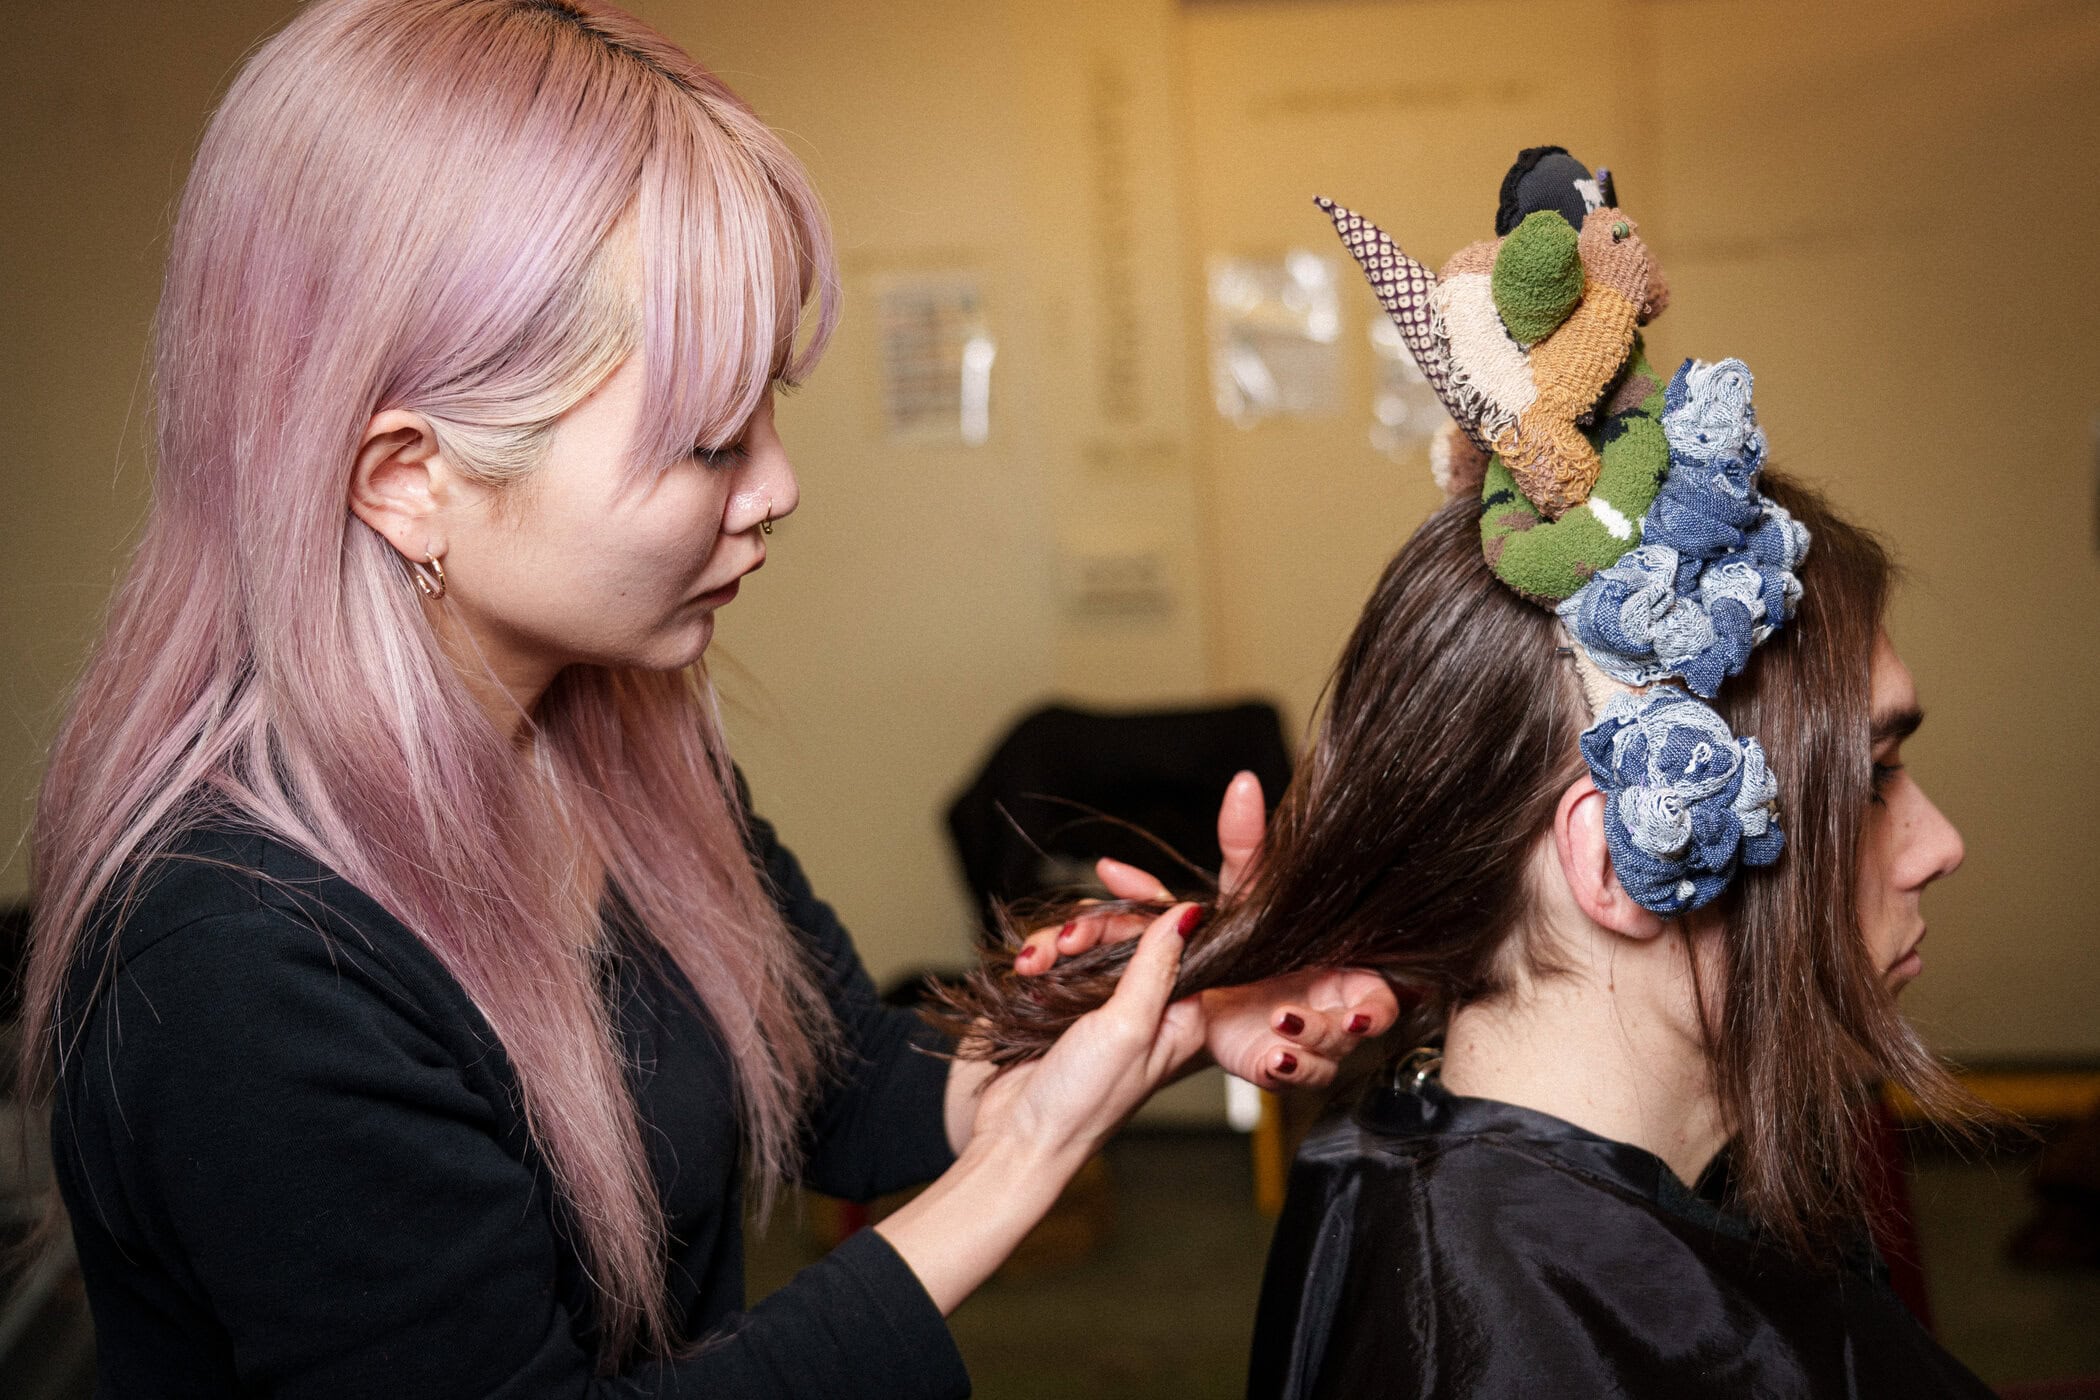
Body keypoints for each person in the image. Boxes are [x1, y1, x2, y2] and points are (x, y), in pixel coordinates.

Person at [14, 2, 1399, 1394]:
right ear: (408, 477)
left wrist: (1160, 1003)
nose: (780, 488)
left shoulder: (610, 741)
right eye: (709, 442)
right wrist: (1021, 1173)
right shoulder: (240, 963)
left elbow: (843, 1081)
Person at [954, 151, 1997, 1396]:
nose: (1940, 842)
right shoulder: (1496, 1335)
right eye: (1874, 777)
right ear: (1621, 856)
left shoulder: (1536, 1213)